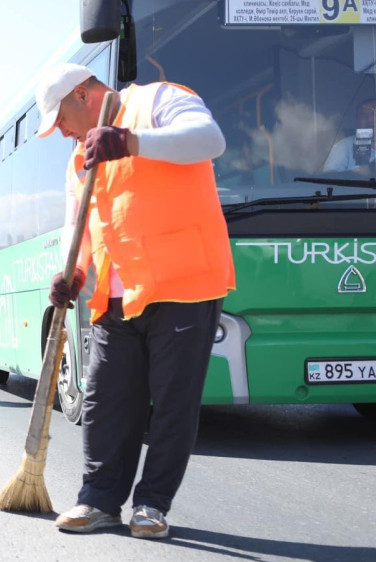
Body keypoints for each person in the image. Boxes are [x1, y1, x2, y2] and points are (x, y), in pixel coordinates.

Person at [36, 63, 235, 539]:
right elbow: (77, 223)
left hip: (184, 284)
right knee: (105, 402)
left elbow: (210, 140)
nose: (60, 131)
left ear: (83, 94)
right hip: (114, 294)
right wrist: (73, 270)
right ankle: (98, 501)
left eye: (60, 117)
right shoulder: (77, 158)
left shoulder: (158, 101)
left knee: (172, 404)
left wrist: (130, 141)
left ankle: (151, 505)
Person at [322, 98, 376, 172]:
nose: (370, 119)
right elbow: (330, 176)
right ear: (358, 121)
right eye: (363, 115)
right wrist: (358, 174)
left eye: (374, 114)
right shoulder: (344, 146)